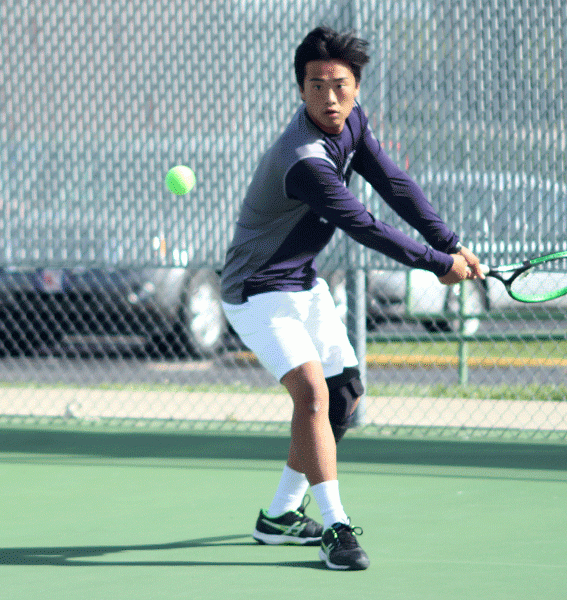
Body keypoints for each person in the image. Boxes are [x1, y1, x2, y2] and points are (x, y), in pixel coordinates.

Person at [219, 26, 484, 571]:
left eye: (340, 85)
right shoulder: (304, 159)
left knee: (343, 400)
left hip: (303, 283)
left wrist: (450, 242)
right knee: (313, 396)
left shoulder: (354, 122)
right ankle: (337, 528)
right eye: (316, 86)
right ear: (301, 90)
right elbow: (363, 224)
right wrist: (438, 266)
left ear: (357, 86)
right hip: (256, 291)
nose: (329, 97)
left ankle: (279, 517)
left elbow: (395, 184)